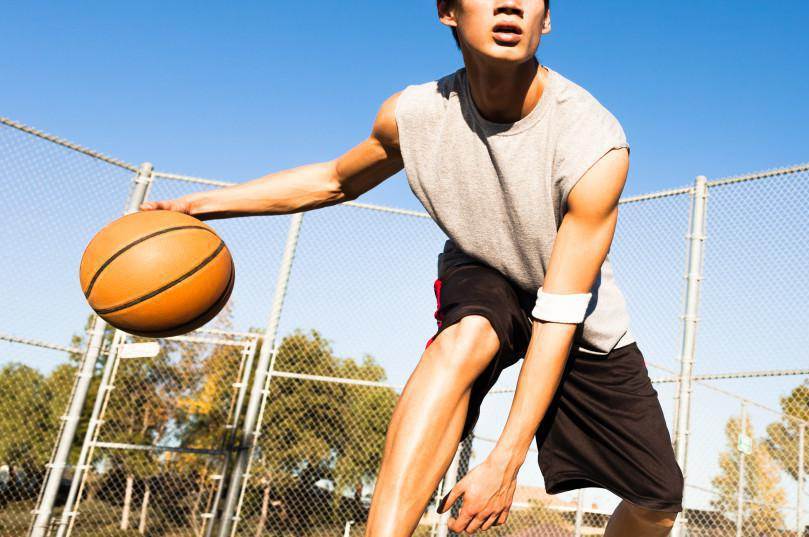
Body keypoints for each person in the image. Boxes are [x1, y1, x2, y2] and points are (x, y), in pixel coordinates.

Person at [140, 1, 684, 534]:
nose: (511, 5)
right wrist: (200, 205)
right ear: (448, 11)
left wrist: (504, 460)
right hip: (483, 264)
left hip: (571, 307)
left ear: (546, 19)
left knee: (658, 500)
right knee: (466, 336)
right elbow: (333, 179)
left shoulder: (592, 141)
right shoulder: (415, 114)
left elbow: (559, 311)